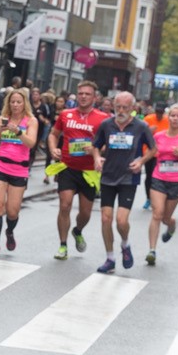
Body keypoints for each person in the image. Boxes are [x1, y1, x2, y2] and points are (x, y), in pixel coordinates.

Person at [89, 91, 154, 273]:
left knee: (121, 221)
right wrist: (96, 158)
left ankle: (125, 244)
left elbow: (153, 149)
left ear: (133, 108)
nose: (121, 110)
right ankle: (110, 258)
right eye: (118, 107)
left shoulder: (141, 126)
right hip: (108, 176)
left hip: (128, 177)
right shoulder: (106, 125)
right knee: (105, 219)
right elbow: (95, 145)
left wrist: (140, 161)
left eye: (125, 107)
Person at [48, 80, 109, 260]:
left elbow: (107, 143)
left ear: (94, 97)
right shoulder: (66, 114)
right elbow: (53, 134)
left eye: (87, 94)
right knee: (64, 204)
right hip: (68, 167)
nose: (83, 97)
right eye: (80, 93)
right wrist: (53, 148)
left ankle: (78, 230)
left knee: (85, 213)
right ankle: (63, 245)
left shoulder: (103, 118)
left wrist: (97, 150)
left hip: (89, 171)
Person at [0, 87, 38, 257]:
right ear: (8, 103)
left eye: (18, 102)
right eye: (12, 102)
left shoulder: (31, 121)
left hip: (19, 168)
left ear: (24, 104)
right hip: (0, 166)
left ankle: (9, 231)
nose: (15, 105)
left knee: (13, 211)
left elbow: (31, 143)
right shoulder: (2, 119)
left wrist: (19, 132)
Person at [144, 104, 178, 266]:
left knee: (165, 218)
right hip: (159, 178)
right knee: (157, 214)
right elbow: (151, 152)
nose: (175, 118)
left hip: (177, 181)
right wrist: (139, 162)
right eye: (173, 115)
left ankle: (171, 225)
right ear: (169, 118)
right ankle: (152, 251)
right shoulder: (159, 136)